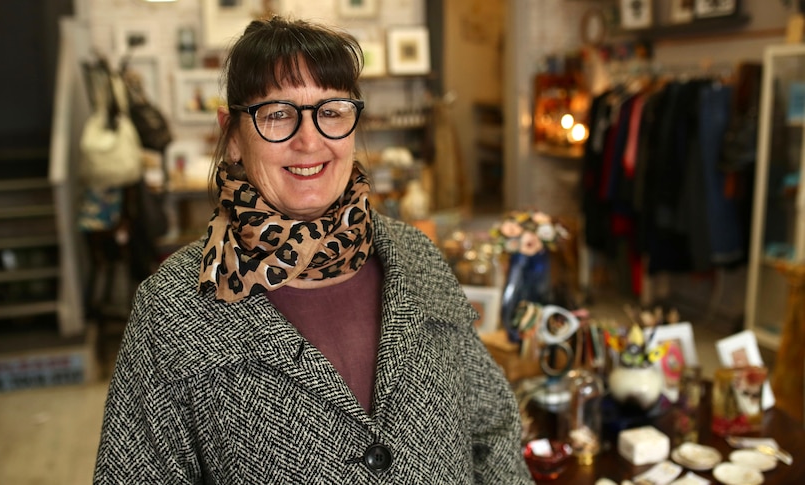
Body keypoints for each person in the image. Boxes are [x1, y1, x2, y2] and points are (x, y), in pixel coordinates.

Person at [94, 16, 533, 483]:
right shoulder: (171, 310)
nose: (310, 140)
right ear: (234, 135)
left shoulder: (413, 256)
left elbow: (493, 429)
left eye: (331, 110)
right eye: (278, 113)